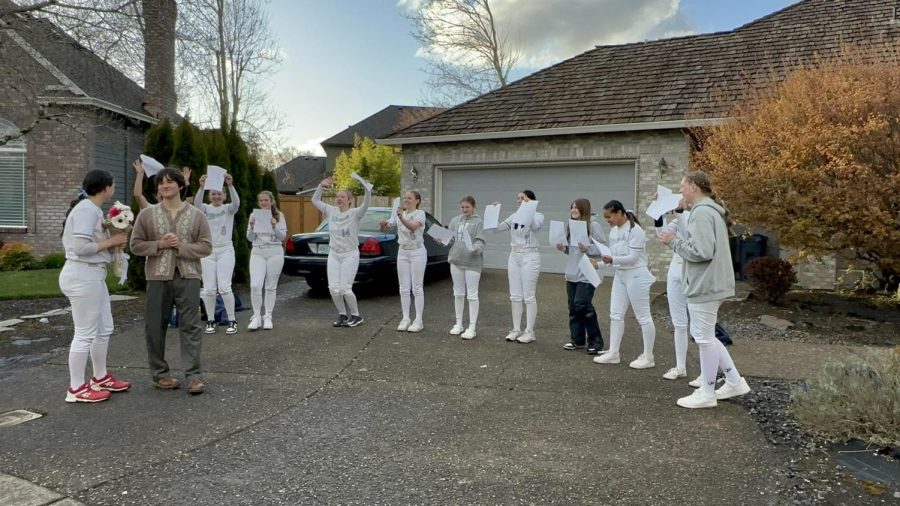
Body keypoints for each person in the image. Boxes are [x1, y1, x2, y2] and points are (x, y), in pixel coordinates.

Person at [659, 171, 751, 409]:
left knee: (704, 338)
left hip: (705, 284)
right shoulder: (710, 210)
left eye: (682, 186)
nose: (680, 190)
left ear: (694, 187)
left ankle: (707, 391)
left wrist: (673, 241)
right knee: (706, 336)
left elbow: (701, 251)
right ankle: (733, 380)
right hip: (712, 283)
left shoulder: (701, 212)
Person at [130, 167, 212, 395]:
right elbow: (135, 245)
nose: (164, 186)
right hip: (157, 276)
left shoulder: (197, 215)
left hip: (189, 276)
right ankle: (160, 375)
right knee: (155, 326)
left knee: (191, 326)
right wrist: (160, 245)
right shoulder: (147, 215)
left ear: (180, 185)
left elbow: (206, 246)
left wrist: (181, 247)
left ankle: (194, 376)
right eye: (160, 183)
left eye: (169, 182)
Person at [60, 170, 131, 403]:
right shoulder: (85, 210)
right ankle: (76, 387)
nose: (114, 189)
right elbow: (80, 247)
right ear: (105, 188)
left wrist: (111, 233)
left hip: (92, 276)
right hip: (82, 275)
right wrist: (112, 241)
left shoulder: (92, 210)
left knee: (104, 328)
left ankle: (99, 377)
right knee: (84, 333)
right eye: (112, 185)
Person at [593, 200, 657, 369]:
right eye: (605, 218)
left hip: (636, 274)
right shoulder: (613, 231)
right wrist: (599, 264)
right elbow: (610, 256)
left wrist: (612, 259)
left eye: (609, 217)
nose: (608, 220)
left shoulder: (636, 230)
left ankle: (648, 356)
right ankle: (614, 353)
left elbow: (633, 257)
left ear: (620, 213)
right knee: (615, 314)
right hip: (620, 274)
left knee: (643, 316)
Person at [312, 176, 371, 328]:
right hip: (334, 254)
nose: (339, 199)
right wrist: (321, 185)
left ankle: (356, 316)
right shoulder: (331, 211)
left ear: (350, 200)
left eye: (342, 197)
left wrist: (366, 188)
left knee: (345, 288)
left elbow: (366, 204)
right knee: (333, 288)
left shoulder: (355, 213)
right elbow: (315, 200)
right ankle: (342, 314)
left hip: (350, 254)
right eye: (337, 196)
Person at [556, 199, 606, 355]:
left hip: (587, 273)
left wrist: (588, 248)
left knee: (582, 304)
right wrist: (563, 248)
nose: (573, 210)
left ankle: (596, 341)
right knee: (573, 307)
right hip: (572, 273)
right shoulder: (571, 226)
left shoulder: (594, 226)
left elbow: (603, 248)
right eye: (571, 207)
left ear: (584, 209)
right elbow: (572, 252)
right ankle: (577, 340)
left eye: (576, 207)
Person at [495, 190, 544, 343]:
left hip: (530, 255)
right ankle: (516, 329)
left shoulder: (538, 215)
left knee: (528, 295)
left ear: (531, 200)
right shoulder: (513, 216)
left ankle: (529, 331)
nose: (519, 200)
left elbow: (534, 225)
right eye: (518, 198)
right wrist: (494, 212)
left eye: (523, 198)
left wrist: (527, 210)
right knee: (515, 295)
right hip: (514, 255)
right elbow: (497, 228)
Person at [195, 171, 240, 335]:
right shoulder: (205, 209)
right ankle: (210, 320)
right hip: (208, 250)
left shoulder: (228, 209)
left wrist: (230, 184)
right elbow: (196, 205)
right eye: (213, 194)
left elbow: (237, 203)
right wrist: (201, 187)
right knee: (209, 289)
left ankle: (232, 320)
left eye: (219, 194)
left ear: (224, 195)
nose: (216, 197)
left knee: (225, 287)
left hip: (225, 249)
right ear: (210, 196)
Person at [380, 191, 428, 332]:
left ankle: (418, 320)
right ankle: (405, 318)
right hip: (403, 251)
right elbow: (386, 228)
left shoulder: (420, 214)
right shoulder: (399, 214)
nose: (406, 200)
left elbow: (412, 226)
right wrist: (383, 224)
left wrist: (401, 217)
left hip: (417, 252)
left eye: (410, 198)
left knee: (417, 287)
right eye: (405, 198)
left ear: (417, 200)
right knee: (404, 288)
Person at [442, 196, 486, 339]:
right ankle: (458, 324)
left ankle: (472, 327)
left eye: (467, 207)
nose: (464, 210)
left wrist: (475, 248)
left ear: (473, 207)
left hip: (473, 263)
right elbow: (450, 240)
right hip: (456, 260)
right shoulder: (455, 221)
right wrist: (441, 239)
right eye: (462, 207)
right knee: (458, 293)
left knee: (472, 295)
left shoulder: (478, 222)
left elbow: (481, 241)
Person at [246, 190, 287, 331]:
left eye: (266, 200)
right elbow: (250, 238)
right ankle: (256, 316)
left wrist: (274, 226)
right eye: (261, 200)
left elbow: (282, 237)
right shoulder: (254, 215)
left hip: (275, 252)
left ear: (271, 201)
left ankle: (268, 316)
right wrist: (251, 227)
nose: (263, 203)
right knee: (255, 285)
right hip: (258, 251)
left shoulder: (279, 216)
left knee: (270, 286)